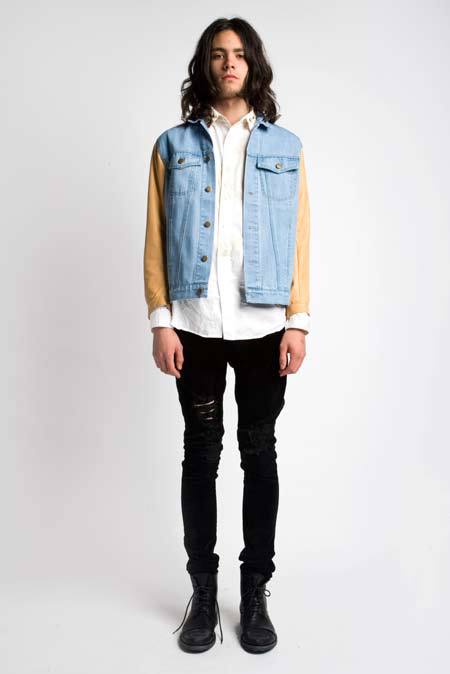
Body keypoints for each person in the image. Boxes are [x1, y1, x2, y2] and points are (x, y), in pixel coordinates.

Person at [143, 16, 310, 654]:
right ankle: (204, 593)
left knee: (259, 455)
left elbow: (300, 238)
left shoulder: (287, 146)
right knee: (200, 455)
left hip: (264, 326)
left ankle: (256, 590)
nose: (229, 63)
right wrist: (162, 320)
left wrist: (298, 320)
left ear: (253, 64)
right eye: (218, 54)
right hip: (194, 324)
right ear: (205, 65)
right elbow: (156, 236)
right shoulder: (172, 144)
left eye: (239, 53)